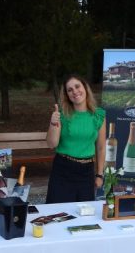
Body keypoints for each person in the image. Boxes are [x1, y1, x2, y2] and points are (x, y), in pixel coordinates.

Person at [45, 74, 106, 204]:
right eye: (70, 90)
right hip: (63, 170)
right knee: (58, 211)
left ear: (85, 88)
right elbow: (52, 144)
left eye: (77, 86)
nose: (75, 92)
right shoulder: (62, 114)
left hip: (86, 172)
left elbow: (101, 147)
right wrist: (53, 123)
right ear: (67, 95)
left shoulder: (98, 115)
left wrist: (100, 174)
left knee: (84, 213)